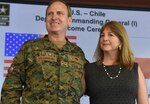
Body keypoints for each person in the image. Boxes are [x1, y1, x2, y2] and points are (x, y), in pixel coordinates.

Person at [1, 0, 87, 103]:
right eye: (50, 14)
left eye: (59, 13)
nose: (54, 17)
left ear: (69, 20)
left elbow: (89, 85)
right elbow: (10, 88)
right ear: (46, 19)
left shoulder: (78, 53)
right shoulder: (30, 48)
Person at [84, 21, 149, 104]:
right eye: (102, 35)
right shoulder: (89, 69)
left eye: (110, 35)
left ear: (121, 41)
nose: (105, 38)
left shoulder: (133, 68)